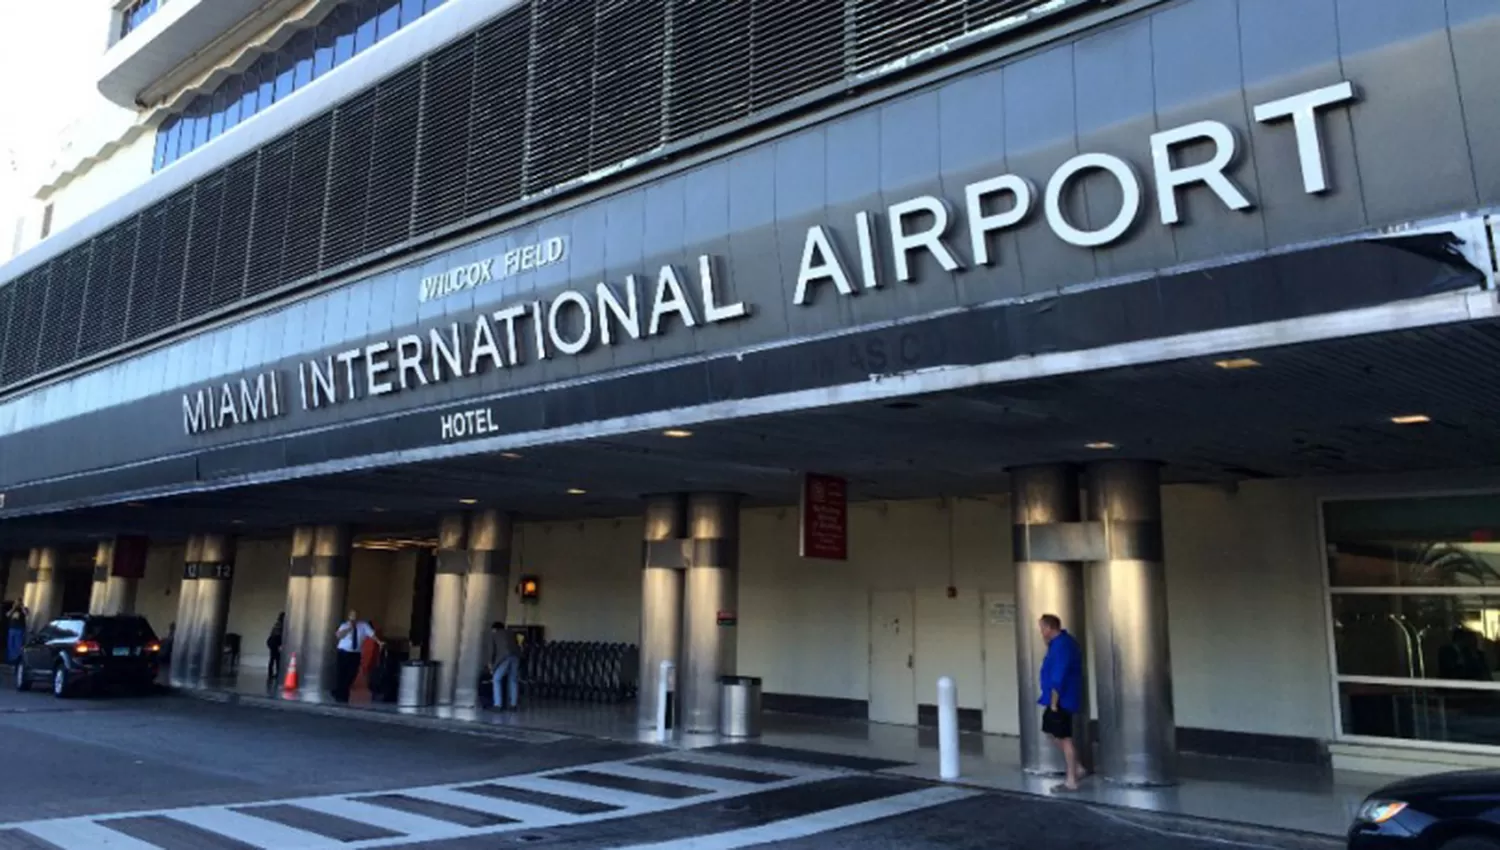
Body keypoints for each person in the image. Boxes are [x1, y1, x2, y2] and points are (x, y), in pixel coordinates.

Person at [1038, 613, 1085, 793]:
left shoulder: (1062, 646)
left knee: (1065, 739)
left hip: (1061, 699)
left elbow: (1059, 676)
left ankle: (1071, 780)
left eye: (1042, 628)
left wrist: (1054, 703)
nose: (1041, 632)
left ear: (1049, 628)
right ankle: (1077, 768)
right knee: (1052, 732)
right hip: (1056, 697)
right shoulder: (1058, 644)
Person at [333, 610, 380, 703]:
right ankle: (341, 695)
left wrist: (379, 642)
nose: (354, 618)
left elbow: (372, 634)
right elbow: (338, 635)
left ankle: (343, 691)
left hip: (355, 653)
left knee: (352, 673)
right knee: (341, 673)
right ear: (349, 617)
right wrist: (348, 629)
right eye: (352, 616)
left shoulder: (363, 626)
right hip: (344, 652)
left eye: (355, 616)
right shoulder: (344, 625)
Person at [489, 621, 522, 711]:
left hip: (504, 658)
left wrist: (492, 666)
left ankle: (497, 705)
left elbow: (493, 652)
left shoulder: (495, 635)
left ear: (495, 629)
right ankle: (513, 705)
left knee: (496, 679)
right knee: (513, 680)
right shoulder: (511, 633)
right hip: (515, 657)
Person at [266, 612, 285, 682]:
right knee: (276, 659)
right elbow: (278, 636)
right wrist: (279, 645)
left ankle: (272, 674)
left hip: (272, 642)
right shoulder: (280, 625)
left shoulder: (277, 624)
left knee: (273, 658)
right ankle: (275, 674)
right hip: (275, 643)